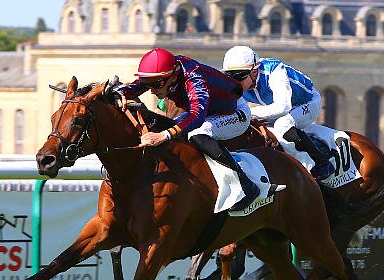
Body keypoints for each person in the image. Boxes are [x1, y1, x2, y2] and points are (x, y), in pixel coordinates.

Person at [115, 48, 259, 210]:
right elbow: (133, 88)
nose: (152, 91)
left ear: (173, 75)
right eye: (149, 85)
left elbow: (197, 116)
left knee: (197, 134)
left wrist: (163, 136)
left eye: (157, 85)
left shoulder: (193, 77)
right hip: (210, 111)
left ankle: (246, 186)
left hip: (235, 112)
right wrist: (119, 94)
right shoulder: (164, 74)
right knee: (168, 126)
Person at [221, 46, 334, 180]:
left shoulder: (274, 70)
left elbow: (283, 107)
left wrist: (247, 113)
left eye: (238, 77)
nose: (234, 82)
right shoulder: (240, 82)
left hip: (307, 103)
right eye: (229, 77)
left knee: (283, 125)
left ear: (254, 72)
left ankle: (322, 161)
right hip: (282, 108)